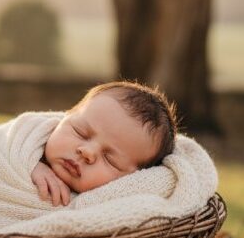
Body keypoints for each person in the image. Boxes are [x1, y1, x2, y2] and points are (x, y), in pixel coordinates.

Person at [31, 81, 178, 206]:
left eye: (110, 160)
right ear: (67, 115)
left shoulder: (105, 208)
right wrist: (31, 165)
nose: (87, 152)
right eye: (79, 132)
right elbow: (9, 147)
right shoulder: (25, 140)